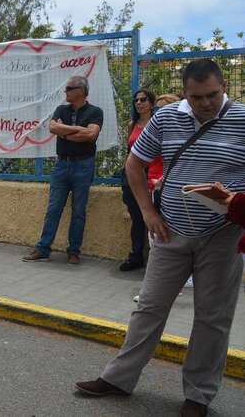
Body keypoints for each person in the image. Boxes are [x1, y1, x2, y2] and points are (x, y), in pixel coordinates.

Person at [76, 59, 245, 417]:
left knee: (213, 318)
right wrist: (148, 213)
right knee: (149, 308)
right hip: (170, 230)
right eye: (197, 97)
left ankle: (198, 396)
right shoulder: (166, 118)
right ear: (184, 93)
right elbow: (134, 164)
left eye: (213, 95)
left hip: (224, 236)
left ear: (224, 87)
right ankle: (118, 379)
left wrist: (234, 200)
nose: (206, 104)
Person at [22, 75, 103, 264]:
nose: (65, 91)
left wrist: (64, 132)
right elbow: (52, 128)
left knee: (79, 210)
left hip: (84, 165)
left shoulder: (95, 111)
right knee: (53, 208)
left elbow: (91, 134)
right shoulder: (61, 109)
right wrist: (77, 130)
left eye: (69, 88)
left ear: (80, 91)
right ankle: (43, 248)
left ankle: (74, 251)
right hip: (62, 165)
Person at [120, 89, 162, 271]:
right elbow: (129, 152)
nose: (139, 103)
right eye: (136, 100)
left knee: (155, 216)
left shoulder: (157, 123)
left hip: (153, 174)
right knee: (137, 217)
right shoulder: (132, 124)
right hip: (133, 175)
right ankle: (136, 256)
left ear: (151, 103)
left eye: (143, 99)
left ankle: (157, 259)